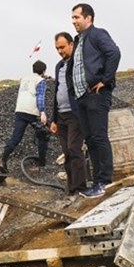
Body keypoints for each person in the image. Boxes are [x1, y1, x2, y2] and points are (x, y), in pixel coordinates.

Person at [67, 3, 121, 199]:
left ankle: (104, 182)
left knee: (99, 137)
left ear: (88, 18)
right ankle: (97, 182)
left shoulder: (97, 34)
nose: (73, 21)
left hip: (96, 95)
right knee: (89, 139)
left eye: (77, 17)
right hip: (82, 96)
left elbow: (114, 53)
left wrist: (105, 80)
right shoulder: (79, 40)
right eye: (72, 18)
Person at [50, 31, 88, 197]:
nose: (60, 51)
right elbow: (57, 91)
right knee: (66, 152)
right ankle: (71, 188)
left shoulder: (78, 63)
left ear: (71, 44)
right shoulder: (59, 66)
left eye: (62, 47)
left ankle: (80, 187)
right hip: (61, 115)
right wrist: (53, 119)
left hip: (75, 114)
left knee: (74, 149)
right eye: (57, 48)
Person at [0, 60, 50, 172]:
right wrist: (42, 112)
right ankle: (42, 163)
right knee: (43, 134)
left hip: (20, 110)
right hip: (32, 112)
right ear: (43, 71)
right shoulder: (41, 81)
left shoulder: (24, 79)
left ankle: (3, 160)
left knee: (16, 138)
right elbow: (40, 97)